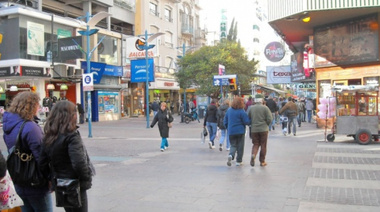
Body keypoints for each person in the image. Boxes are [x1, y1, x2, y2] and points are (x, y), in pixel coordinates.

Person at [39, 101, 94, 212]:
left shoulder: (49, 135)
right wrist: (86, 177)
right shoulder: (72, 136)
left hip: (60, 182)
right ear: (70, 116)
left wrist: (51, 178)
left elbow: (42, 162)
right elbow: (78, 162)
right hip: (75, 183)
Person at [2, 91, 53, 212]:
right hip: (35, 183)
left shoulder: (9, 125)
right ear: (31, 106)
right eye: (37, 105)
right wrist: (50, 178)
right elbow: (41, 157)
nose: (39, 108)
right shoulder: (30, 127)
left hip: (18, 180)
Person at [224, 97, 251, 166]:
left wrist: (227, 127)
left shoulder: (229, 110)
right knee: (240, 146)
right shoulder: (241, 111)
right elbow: (246, 121)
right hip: (240, 131)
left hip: (231, 131)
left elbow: (225, 121)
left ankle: (231, 155)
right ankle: (239, 161)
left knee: (233, 145)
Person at [247, 94, 273, 167]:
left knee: (255, 144)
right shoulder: (265, 108)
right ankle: (262, 161)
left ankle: (253, 155)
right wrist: (266, 124)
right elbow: (270, 119)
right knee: (263, 145)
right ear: (262, 100)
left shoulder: (251, 108)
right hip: (263, 129)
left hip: (254, 129)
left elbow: (248, 117)